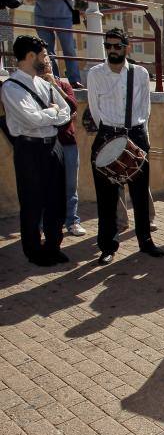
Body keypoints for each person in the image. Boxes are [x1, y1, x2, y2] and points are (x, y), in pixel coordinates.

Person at [87, 28, 164, 265]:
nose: (112, 50)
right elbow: (94, 108)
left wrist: (140, 137)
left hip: (135, 133)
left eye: (116, 46)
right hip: (108, 133)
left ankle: (145, 241)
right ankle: (107, 246)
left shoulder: (139, 73)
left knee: (140, 194)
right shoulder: (95, 73)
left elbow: (145, 107)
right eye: (108, 46)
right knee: (107, 197)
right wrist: (111, 132)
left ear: (126, 47)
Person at [3, 35, 71, 266]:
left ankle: (53, 246)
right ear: (30, 56)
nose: (47, 59)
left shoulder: (44, 84)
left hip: (53, 147)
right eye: (43, 55)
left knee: (56, 201)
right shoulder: (11, 87)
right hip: (29, 150)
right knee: (32, 203)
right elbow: (30, 119)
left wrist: (50, 115)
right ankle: (34, 253)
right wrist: (51, 114)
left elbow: (66, 111)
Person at [38, 54, 83, 236]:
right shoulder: (34, 88)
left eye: (48, 62)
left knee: (70, 185)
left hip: (67, 142)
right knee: (45, 186)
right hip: (45, 144)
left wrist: (55, 86)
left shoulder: (63, 85)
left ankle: (72, 221)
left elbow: (72, 106)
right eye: (43, 62)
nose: (46, 65)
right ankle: (42, 224)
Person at [25, 0, 82, 88]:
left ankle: (74, 79)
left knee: (68, 48)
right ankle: (54, 79)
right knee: (47, 50)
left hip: (63, 16)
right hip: (42, 16)